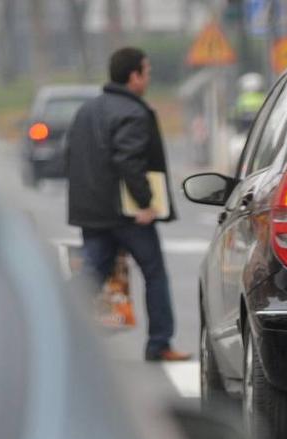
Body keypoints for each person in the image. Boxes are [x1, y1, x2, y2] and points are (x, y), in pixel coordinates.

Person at [66, 46, 190, 362]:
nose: (148, 78)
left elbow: (73, 157)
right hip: (127, 215)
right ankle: (159, 343)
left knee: (92, 275)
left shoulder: (86, 110)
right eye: (146, 72)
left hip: (91, 211)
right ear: (134, 76)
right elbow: (128, 160)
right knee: (154, 273)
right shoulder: (133, 113)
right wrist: (145, 203)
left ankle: (57, 329)